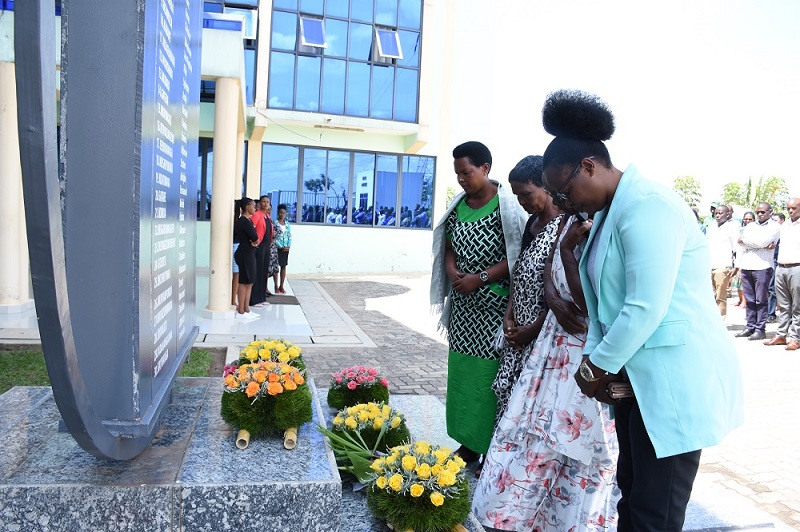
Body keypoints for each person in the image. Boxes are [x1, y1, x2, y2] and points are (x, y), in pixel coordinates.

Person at [540, 89, 743, 531]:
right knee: (631, 497)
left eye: (565, 191)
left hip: (672, 381)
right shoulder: (609, 213)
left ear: (589, 166)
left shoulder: (648, 205)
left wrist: (596, 366)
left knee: (655, 512)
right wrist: (596, 361)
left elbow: (644, 306)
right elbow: (602, 307)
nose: (565, 203)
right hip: (637, 382)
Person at [473, 206, 620, 530]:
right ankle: (515, 515)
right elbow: (549, 271)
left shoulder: (603, 224)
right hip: (552, 350)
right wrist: (552, 298)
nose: (561, 199)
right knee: (530, 434)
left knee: (572, 447)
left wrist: (567, 252)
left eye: (564, 190)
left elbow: (592, 305)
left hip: (583, 351)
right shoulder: (567, 219)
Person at [430, 141, 528, 467]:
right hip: (463, 311)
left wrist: (480, 277)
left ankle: (490, 448)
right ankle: (468, 444)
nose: (461, 179)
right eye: (457, 174)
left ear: (485, 168)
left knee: (488, 381)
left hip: (492, 309)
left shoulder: (507, 205)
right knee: (462, 378)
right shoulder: (459, 205)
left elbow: (517, 253)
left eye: (466, 172)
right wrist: (452, 272)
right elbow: (448, 246)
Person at [491, 156, 564, 429]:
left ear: (546, 185)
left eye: (526, 194)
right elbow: (519, 272)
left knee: (532, 405)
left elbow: (560, 289)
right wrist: (509, 314)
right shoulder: (532, 223)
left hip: (544, 334)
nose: (522, 201)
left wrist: (533, 329)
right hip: (519, 330)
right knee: (509, 400)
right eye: (517, 196)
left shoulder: (564, 226)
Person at [735, 202, 780, 341]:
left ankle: (760, 329)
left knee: (761, 300)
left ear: (770, 212)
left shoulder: (775, 227)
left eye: (763, 212)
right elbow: (740, 242)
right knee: (749, 300)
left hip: (763, 266)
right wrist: (755, 244)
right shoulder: (750, 226)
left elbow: (762, 242)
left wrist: (748, 242)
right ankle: (750, 326)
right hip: (747, 265)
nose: (760, 214)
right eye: (758, 212)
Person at [765, 198, 800, 350]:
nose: (791, 211)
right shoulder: (784, 225)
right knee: (784, 305)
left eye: (794, 208)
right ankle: (781, 335)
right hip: (781, 267)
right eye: (788, 208)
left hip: (797, 267)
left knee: (797, 305)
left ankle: (795, 337)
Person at [707, 204, 739, 317]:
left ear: (728, 214)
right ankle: (711, 319)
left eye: (720, 213)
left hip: (723, 266)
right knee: (710, 296)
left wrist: (737, 266)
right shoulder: (712, 227)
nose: (717, 215)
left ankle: (721, 319)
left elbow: (737, 249)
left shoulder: (732, 228)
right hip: (709, 265)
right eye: (716, 213)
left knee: (720, 296)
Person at [233, 197, 260, 319]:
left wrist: (254, 241)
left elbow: (255, 239)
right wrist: (253, 240)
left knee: (250, 281)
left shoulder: (248, 220)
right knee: (244, 282)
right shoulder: (243, 221)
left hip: (249, 253)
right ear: (247, 207)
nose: (255, 208)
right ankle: (241, 311)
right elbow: (255, 237)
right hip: (244, 254)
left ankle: (247, 309)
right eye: (253, 206)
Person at [249, 196, 269, 308]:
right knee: (257, 272)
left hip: (266, 246)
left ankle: (261, 298)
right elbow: (251, 228)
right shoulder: (257, 215)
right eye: (263, 202)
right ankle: (254, 299)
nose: (265, 203)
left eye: (267, 202)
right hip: (259, 246)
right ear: (260, 203)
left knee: (263, 272)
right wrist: (254, 240)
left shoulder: (267, 216)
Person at [732, 211, 755, 306]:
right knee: (740, 281)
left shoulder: (757, 230)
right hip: (741, 258)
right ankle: (742, 300)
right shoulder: (740, 230)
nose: (748, 221)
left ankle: (747, 302)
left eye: (750, 219)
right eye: (746, 219)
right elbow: (738, 247)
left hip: (754, 259)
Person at [767, 212, 786, 322]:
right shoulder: (773, 232)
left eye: (776, 220)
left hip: (784, 262)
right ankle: (770, 313)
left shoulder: (786, 231)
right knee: (771, 288)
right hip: (772, 260)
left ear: (782, 221)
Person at [274, 203, 292, 294]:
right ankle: (276, 286)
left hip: (285, 248)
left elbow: (289, 236)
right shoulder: (275, 223)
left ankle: (282, 285)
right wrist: (280, 246)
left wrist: (288, 246)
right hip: (278, 248)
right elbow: (274, 236)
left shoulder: (287, 224)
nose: (282, 214)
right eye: (280, 212)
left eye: (283, 213)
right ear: (278, 213)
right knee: (276, 267)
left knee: (283, 266)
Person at [231, 200, 241, 307]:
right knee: (236, 275)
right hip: (235, 246)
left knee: (236, 275)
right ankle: (233, 300)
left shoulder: (237, 220)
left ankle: (233, 299)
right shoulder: (237, 221)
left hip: (236, 246)